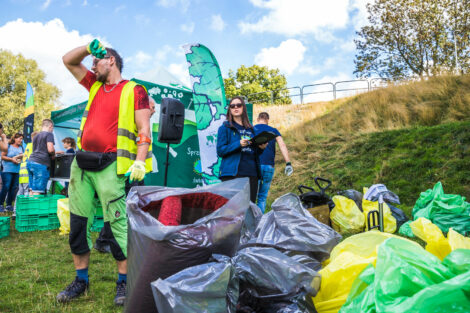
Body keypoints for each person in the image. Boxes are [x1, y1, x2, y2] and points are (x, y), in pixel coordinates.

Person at [59, 39, 152, 306]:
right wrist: (89, 48)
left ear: (111, 60)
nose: (92, 65)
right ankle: (81, 280)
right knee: (78, 225)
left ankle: (123, 283)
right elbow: (68, 60)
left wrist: (139, 161)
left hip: (111, 166)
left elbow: (144, 131)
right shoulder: (94, 84)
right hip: (82, 165)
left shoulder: (135, 90)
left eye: (97, 60)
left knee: (118, 228)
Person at [217, 96, 267, 203]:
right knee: (231, 211)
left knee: (249, 210)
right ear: (229, 109)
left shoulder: (252, 129)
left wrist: (261, 148)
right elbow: (220, 150)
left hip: (252, 175)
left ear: (243, 108)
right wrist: (238, 144)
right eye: (232, 106)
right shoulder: (225, 128)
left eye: (238, 105)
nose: (235, 107)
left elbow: (255, 152)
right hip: (232, 175)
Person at [254, 112, 293, 212]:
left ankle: (251, 223)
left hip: (254, 166)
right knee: (262, 197)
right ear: (267, 120)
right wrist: (288, 163)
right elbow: (282, 145)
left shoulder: (251, 129)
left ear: (258, 119)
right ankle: (260, 223)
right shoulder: (273, 131)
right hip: (269, 167)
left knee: (252, 197)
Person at [27, 119, 55, 195]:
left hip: (30, 162)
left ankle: (30, 207)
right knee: (38, 191)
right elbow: (50, 149)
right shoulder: (49, 134)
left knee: (31, 190)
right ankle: (36, 207)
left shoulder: (36, 136)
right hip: (40, 164)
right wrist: (53, 155)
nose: (52, 130)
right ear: (50, 126)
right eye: (53, 128)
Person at [0, 133, 24, 212]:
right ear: (15, 138)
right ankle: (0, 205)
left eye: (22, 139)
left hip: (17, 170)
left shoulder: (21, 147)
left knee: (13, 188)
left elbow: (22, 158)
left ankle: (9, 205)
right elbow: (2, 157)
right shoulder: (8, 146)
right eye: (19, 138)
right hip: (7, 170)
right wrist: (12, 159)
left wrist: (20, 158)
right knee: (6, 186)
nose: (21, 140)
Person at [15, 131, 39, 211]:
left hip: (22, 170)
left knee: (19, 192)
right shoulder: (35, 146)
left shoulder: (28, 145)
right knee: (27, 192)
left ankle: (15, 211)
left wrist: (17, 156)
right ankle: (24, 211)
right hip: (27, 172)